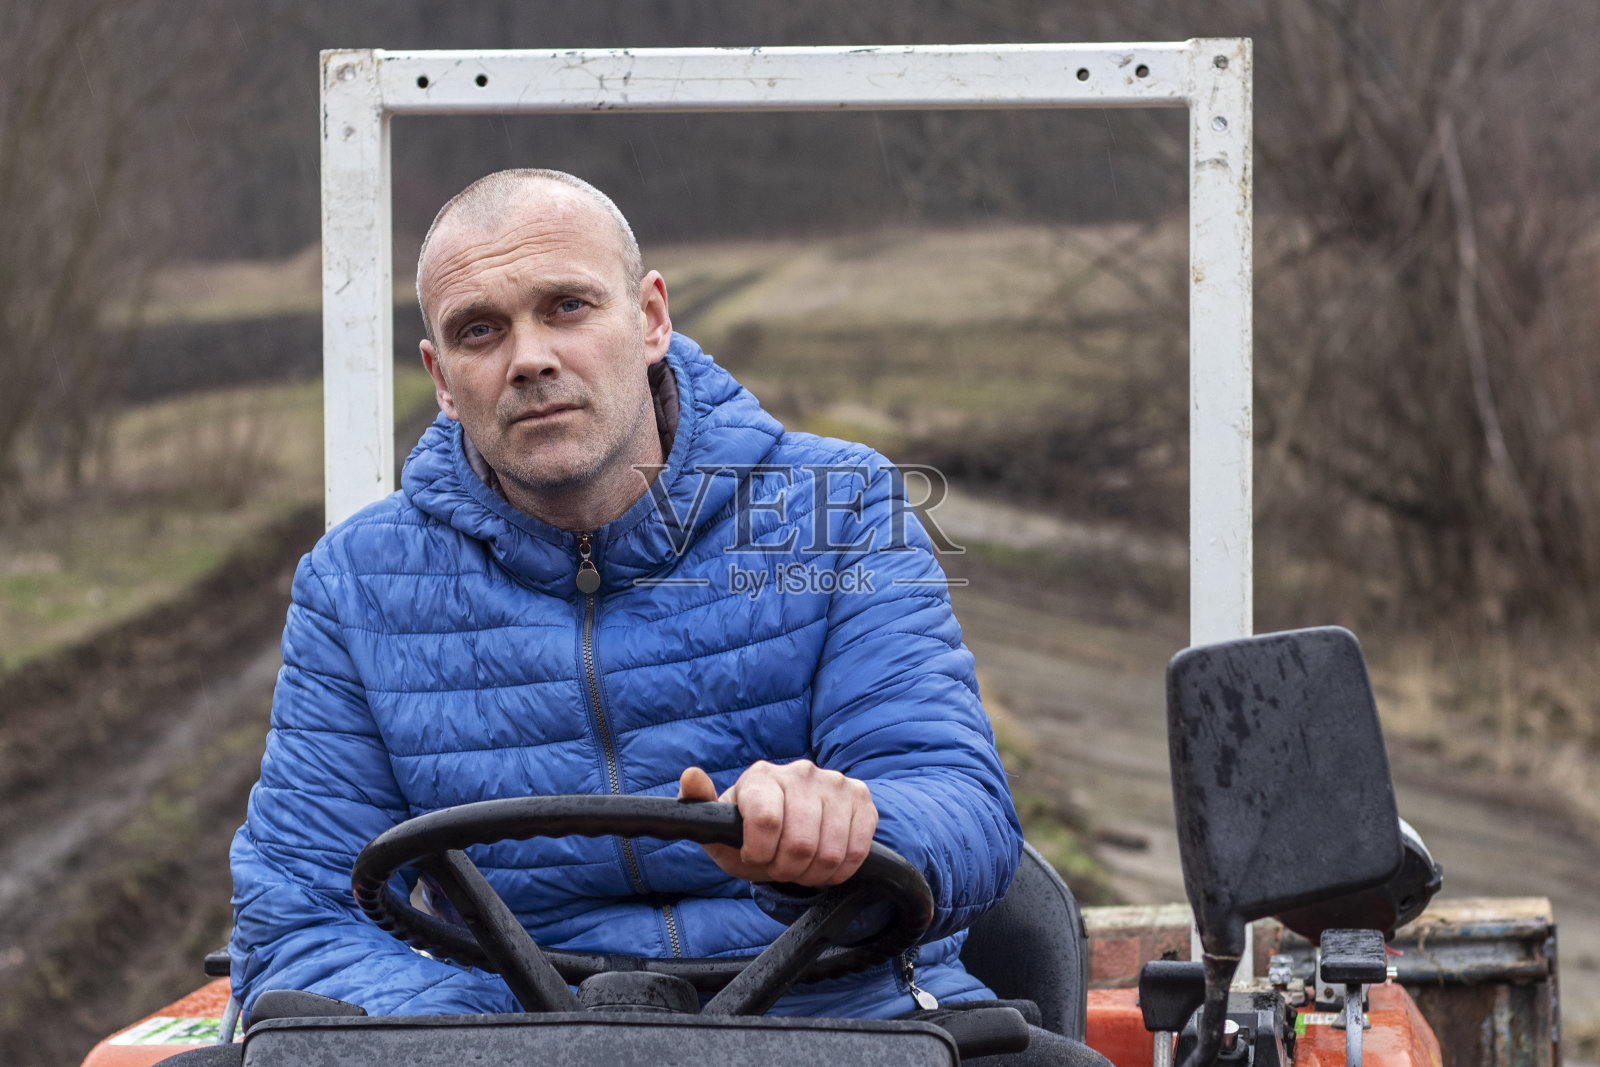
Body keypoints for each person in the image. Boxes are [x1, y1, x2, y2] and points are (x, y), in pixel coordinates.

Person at [227, 169, 1095, 1062]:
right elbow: (299, 907)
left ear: (649, 319)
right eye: (479, 330)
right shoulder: (355, 582)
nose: (528, 357)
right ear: (441, 377)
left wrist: (848, 825)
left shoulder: (838, 510)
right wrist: (506, 1041)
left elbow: (962, 806)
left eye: (566, 306)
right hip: (506, 1041)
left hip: (841, 1024)